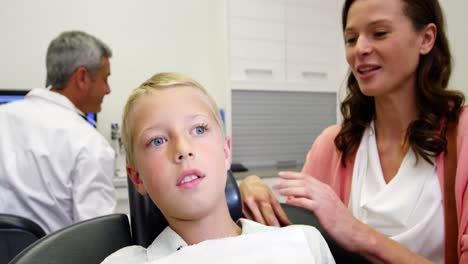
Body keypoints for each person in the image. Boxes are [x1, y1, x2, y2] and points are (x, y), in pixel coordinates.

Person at [239, 0, 467, 263]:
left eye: (379, 33)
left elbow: (343, 227)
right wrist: (252, 190)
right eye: (351, 38)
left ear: (426, 39)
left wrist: (356, 232)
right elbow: (295, 236)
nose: (360, 49)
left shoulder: (463, 138)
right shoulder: (333, 145)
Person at [101, 72, 335, 263]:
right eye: (158, 141)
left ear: (225, 152)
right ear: (137, 178)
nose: (183, 149)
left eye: (199, 129)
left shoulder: (302, 245)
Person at [0, 30, 116, 234]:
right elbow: (96, 237)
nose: (108, 90)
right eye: (105, 79)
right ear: (82, 77)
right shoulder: (89, 144)